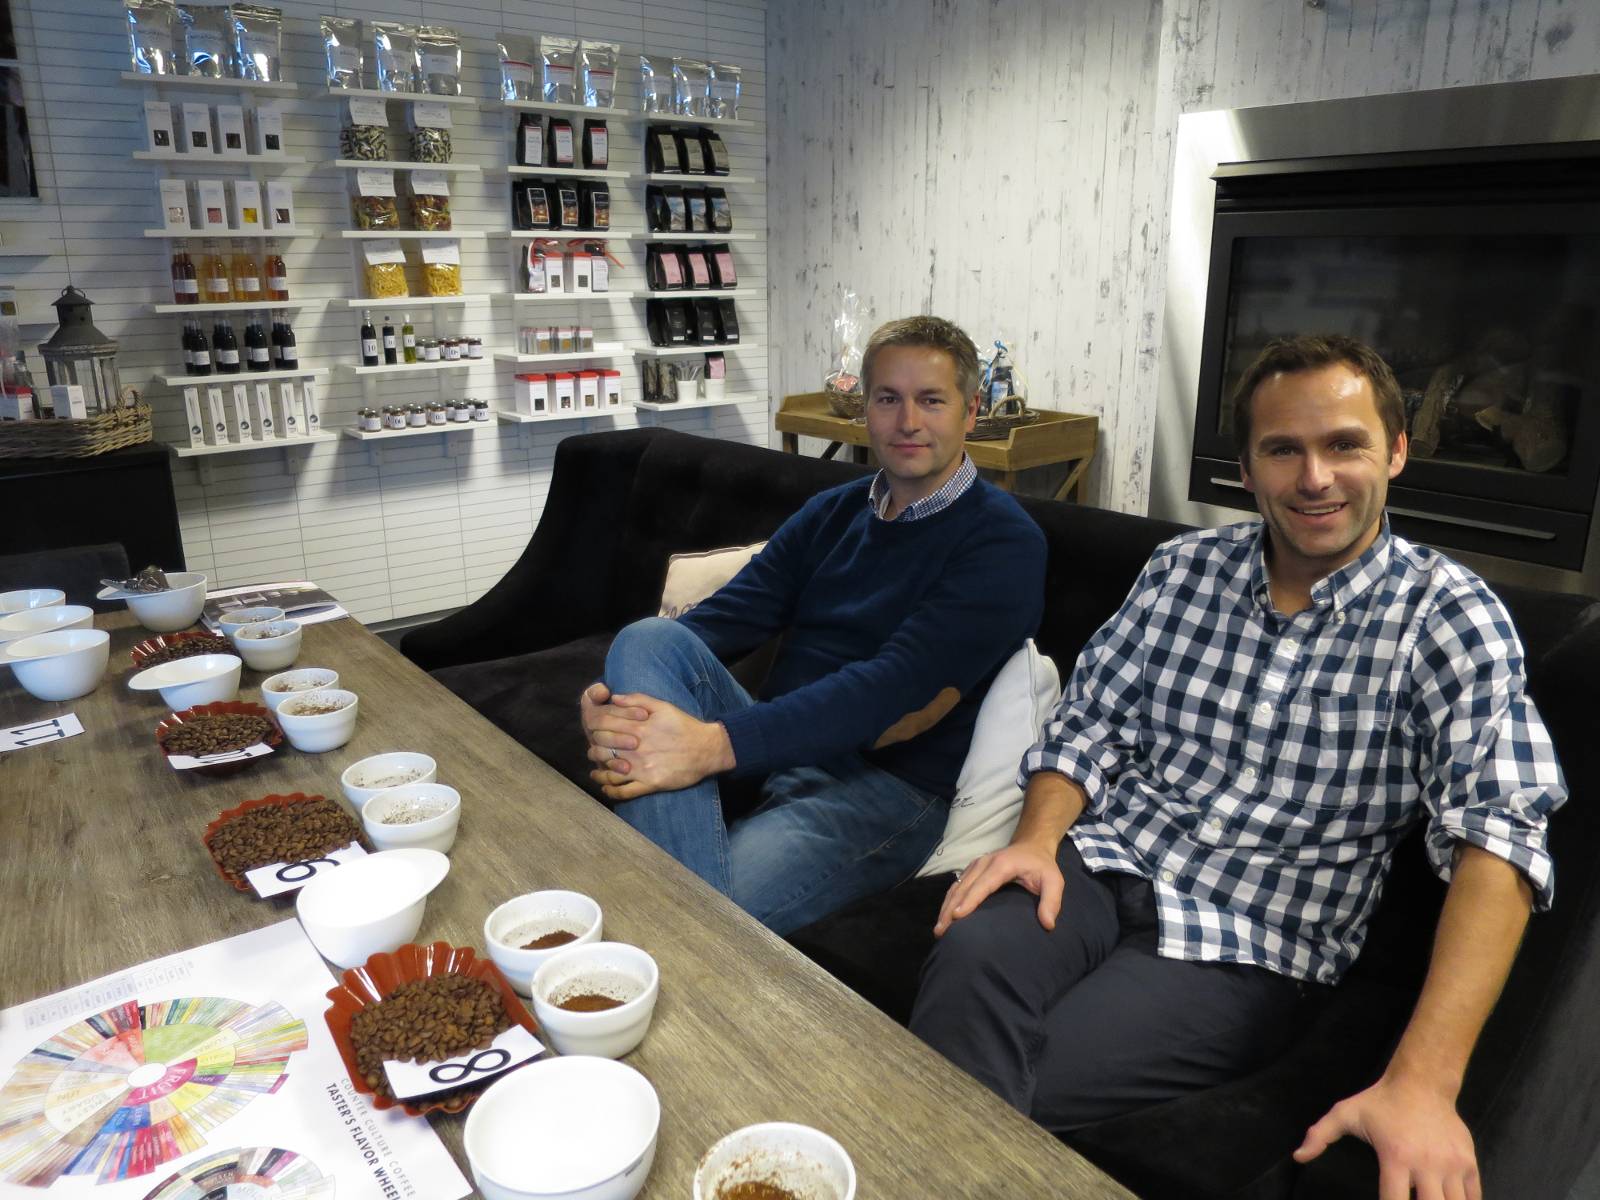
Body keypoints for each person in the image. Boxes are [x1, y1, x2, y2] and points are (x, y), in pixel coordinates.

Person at [910, 333, 1565, 1199]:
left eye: (1345, 445)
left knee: (1010, 1074)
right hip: (1099, 866)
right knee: (967, 959)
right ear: (1247, 470)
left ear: (1397, 452)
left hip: (1251, 942)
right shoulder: (1181, 570)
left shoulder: (1447, 616)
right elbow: (1090, 721)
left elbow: (1500, 835)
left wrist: (1423, 1084)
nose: (1315, 478)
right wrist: (1034, 842)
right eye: (1283, 450)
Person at [580, 315, 1047, 935]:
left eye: (931, 400)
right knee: (648, 641)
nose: (908, 421)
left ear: (971, 412)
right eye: (888, 399)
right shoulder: (834, 511)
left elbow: (890, 691)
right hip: (779, 747)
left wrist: (711, 746)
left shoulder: (1004, 542)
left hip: (885, 789)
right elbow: (725, 618)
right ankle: (677, 915)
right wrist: (609, 700)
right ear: (866, 410)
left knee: (716, 914)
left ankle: (674, 922)